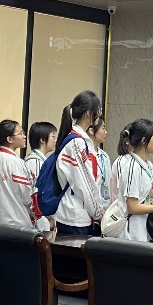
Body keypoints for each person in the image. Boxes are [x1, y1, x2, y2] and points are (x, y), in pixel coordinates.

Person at [52, 90, 108, 237]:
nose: (99, 114)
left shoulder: (78, 139)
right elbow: (84, 183)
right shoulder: (77, 142)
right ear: (89, 114)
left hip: (78, 214)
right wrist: (98, 213)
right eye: (98, 111)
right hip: (74, 216)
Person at [109, 119, 153, 243]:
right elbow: (132, 207)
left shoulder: (148, 165)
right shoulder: (132, 167)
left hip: (144, 228)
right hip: (132, 232)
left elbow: (147, 195)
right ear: (144, 141)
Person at [0, 119, 35, 230]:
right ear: (9, 139)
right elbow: (27, 196)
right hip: (16, 223)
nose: (24, 136)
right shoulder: (14, 161)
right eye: (21, 133)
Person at [88, 117, 111, 203]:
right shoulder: (85, 155)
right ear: (91, 131)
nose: (106, 132)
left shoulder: (104, 156)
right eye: (103, 128)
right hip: (91, 204)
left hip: (105, 203)